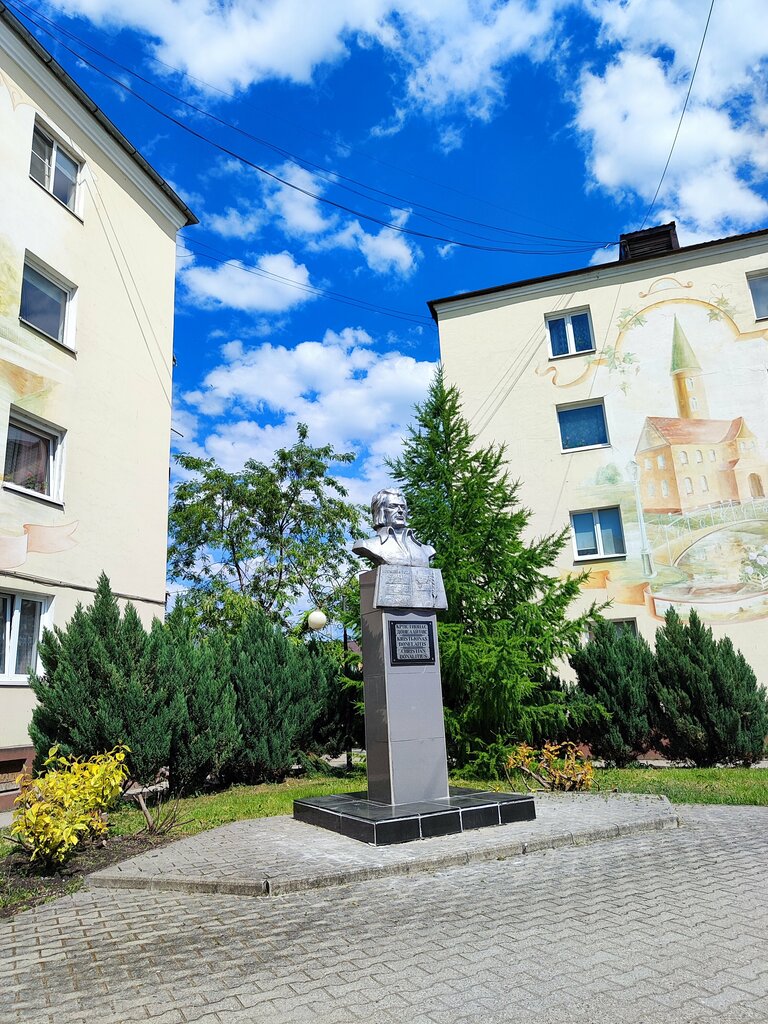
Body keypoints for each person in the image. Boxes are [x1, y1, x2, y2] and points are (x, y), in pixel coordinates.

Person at [352, 488, 435, 567]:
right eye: (393, 506)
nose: (400, 511)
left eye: (403, 507)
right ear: (380, 511)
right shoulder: (367, 545)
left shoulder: (427, 550)